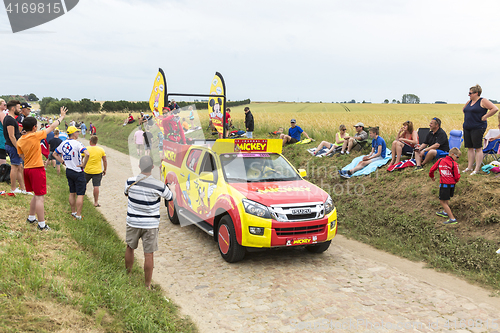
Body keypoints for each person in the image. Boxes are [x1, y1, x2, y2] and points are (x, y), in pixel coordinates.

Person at [124, 155, 175, 289]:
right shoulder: (159, 186)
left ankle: (127, 276)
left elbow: (126, 193)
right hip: (150, 225)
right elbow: (170, 198)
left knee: (130, 247)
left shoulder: (130, 182)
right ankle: (147, 285)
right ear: (152, 167)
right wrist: (172, 189)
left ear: (139, 166)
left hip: (133, 221)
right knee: (149, 254)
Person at [16, 108, 67, 231]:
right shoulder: (36, 135)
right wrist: (61, 117)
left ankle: (31, 217)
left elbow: (22, 156)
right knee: (40, 197)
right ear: (34, 127)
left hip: (27, 169)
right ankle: (42, 225)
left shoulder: (20, 140)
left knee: (35, 195)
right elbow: (52, 126)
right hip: (36, 169)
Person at [53, 126, 90, 220]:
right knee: (80, 194)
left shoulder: (63, 143)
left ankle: (73, 211)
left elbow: (54, 154)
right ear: (74, 133)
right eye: (77, 132)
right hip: (78, 170)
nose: (78, 133)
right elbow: (87, 153)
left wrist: (62, 162)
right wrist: (83, 164)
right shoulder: (78, 143)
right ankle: (78, 214)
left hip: (69, 170)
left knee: (72, 192)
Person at [461, 84, 499, 175]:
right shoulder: (470, 101)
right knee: (470, 147)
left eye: (470, 93)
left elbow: (495, 108)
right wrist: (468, 104)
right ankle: (469, 167)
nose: (469, 95)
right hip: (467, 126)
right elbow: (464, 110)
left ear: (476, 93)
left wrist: (485, 116)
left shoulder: (483, 101)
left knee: (478, 147)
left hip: (478, 126)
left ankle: (477, 169)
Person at [429, 147, 461, 224]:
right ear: (452, 154)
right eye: (457, 157)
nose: (457, 159)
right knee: (446, 199)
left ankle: (452, 219)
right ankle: (445, 212)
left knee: (442, 201)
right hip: (452, 185)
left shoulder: (440, 160)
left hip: (444, 184)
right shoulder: (454, 164)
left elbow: (431, 170)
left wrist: (432, 177)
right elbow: (457, 176)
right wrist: (455, 181)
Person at [3, 100, 28, 194]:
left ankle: (23, 188)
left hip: (12, 145)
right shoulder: (10, 119)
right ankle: (13, 188)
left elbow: (14, 134)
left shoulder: (10, 119)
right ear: (13, 108)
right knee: (14, 167)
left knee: (19, 167)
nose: (20, 110)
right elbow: (11, 136)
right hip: (12, 146)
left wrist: (20, 133)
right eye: (18, 107)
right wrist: (18, 147)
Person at [84, 135, 107, 207]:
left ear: (90, 141)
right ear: (96, 142)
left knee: (84, 184)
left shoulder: (86, 149)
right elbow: (105, 160)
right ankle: (96, 202)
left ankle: (82, 197)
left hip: (87, 170)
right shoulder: (101, 149)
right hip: (97, 171)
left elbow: (81, 158)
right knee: (96, 186)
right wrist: (105, 169)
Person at [0, 99, 7, 165]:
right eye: (4, 104)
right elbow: (5, 126)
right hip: (2, 138)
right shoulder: (1, 114)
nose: (6, 105)